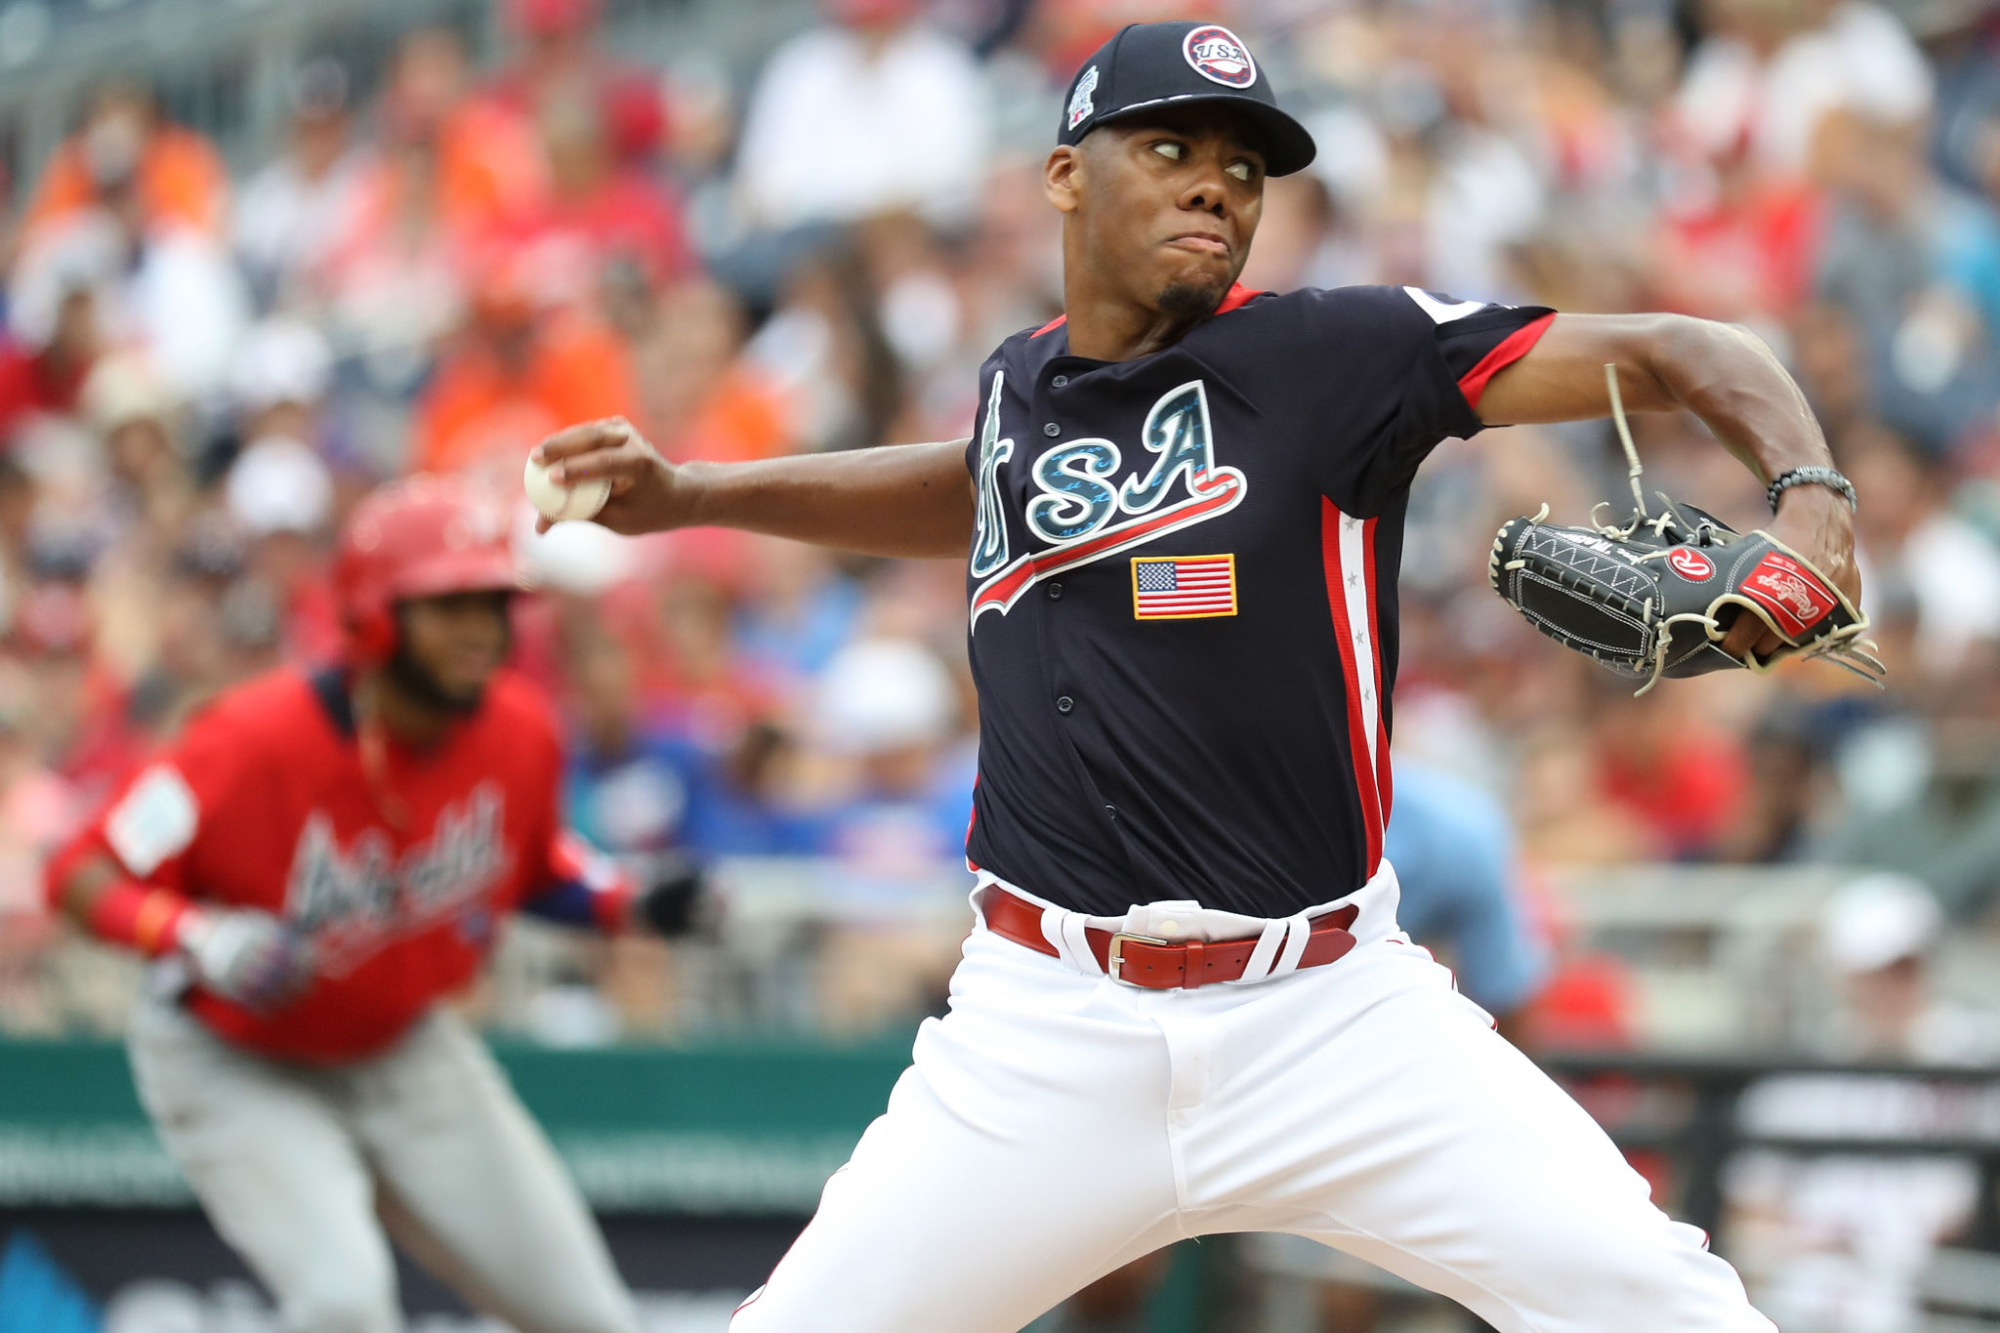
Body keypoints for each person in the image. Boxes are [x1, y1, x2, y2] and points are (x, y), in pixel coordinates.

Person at [536, 21, 1860, 1330]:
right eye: (1170, 145)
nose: (1215, 182)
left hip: (1331, 1014)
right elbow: (974, 486)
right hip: (1044, 1029)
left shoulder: (1337, 355)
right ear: (1065, 174)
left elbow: (1693, 350)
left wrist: (1814, 505)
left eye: (1243, 164)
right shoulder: (1021, 385)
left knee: (1668, 1307)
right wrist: (694, 492)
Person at [42, 476, 697, 1333]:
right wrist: (193, 934)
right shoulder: (248, 739)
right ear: (373, 616)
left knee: (589, 1316)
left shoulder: (519, 730)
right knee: (343, 1305)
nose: (480, 630)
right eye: (449, 604)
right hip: (237, 1052)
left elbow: (533, 866)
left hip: (402, 1045)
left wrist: (636, 903)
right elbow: (81, 871)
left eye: (493, 602)